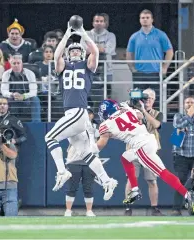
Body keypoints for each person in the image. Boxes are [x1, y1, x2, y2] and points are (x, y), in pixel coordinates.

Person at [44, 20, 117, 200]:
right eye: (72, 50)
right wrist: (68, 34)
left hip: (77, 112)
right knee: (85, 153)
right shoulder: (63, 66)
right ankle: (107, 180)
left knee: (49, 137)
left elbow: (94, 50)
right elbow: (57, 56)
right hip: (74, 115)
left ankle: (62, 171)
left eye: (78, 50)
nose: (75, 51)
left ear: (82, 53)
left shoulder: (88, 66)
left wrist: (83, 32)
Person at [96, 99, 194, 206]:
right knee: (125, 157)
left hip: (141, 147)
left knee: (162, 172)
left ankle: (186, 195)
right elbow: (140, 116)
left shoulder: (106, 124)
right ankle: (135, 190)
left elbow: (100, 144)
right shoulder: (126, 109)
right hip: (149, 140)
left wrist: (91, 153)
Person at [124, 89, 164, 216]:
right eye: (145, 97)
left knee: (152, 181)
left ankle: (154, 208)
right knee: (131, 179)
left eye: (150, 98)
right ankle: (128, 208)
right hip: (133, 150)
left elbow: (157, 125)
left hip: (149, 152)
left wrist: (144, 112)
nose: (147, 100)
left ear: (154, 100)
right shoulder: (131, 110)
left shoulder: (157, 113)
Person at [171, 96, 194, 216]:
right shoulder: (178, 116)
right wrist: (189, 117)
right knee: (180, 181)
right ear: (183, 105)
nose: (189, 104)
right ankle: (176, 208)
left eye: (192, 102)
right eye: (187, 102)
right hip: (181, 154)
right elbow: (177, 125)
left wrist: (187, 127)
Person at [64, 109, 98, 217]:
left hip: (89, 160)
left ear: (92, 115)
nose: (87, 116)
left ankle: (89, 211)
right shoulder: (73, 125)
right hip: (74, 160)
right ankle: (68, 210)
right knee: (72, 186)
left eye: (89, 113)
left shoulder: (96, 128)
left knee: (88, 187)